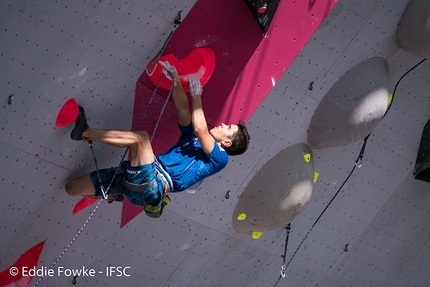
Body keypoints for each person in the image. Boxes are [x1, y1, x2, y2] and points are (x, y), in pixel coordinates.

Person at [65, 61, 250, 217]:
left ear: (227, 143)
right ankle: (116, 194)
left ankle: (86, 132)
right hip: (141, 180)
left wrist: (197, 96)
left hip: (153, 184)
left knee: (141, 139)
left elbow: (201, 128)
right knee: (71, 188)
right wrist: (175, 78)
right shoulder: (192, 141)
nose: (223, 125)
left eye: (228, 128)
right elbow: (183, 110)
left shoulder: (220, 159)